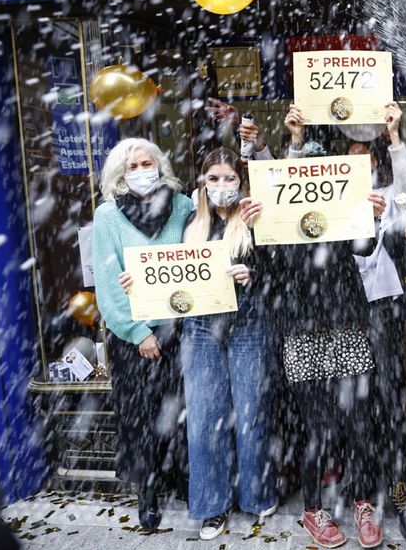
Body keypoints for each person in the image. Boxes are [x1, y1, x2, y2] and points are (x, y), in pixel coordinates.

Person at [240, 177, 387, 548]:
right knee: (319, 429)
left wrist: (371, 217)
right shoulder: (275, 222)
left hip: (346, 326)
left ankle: (363, 503)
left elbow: (364, 247)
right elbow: (265, 274)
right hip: (301, 334)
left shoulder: (339, 214)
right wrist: (256, 230)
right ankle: (312, 509)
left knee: (359, 426)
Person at [173, 148, 277, 538]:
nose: (220, 186)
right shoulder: (187, 220)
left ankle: (257, 494)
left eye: (229, 178)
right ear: (202, 181)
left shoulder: (254, 217)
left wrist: (254, 273)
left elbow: (279, 273)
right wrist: (138, 284)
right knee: (203, 420)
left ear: (241, 181)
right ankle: (212, 505)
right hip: (200, 328)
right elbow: (163, 272)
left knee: (252, 414)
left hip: (248, 324)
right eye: (213, 178)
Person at [92, 137, 194, 530]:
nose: (139, 172)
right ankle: (148, 492)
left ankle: (183, 479)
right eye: (130, 167)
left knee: (179, 411)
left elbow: (195, 260)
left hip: (178, 330)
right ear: (119, 175)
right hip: (133, 337)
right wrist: (137, 332)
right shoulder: (107, 216)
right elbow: (108, 282)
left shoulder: (182, 206)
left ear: (160, 165)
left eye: (145, 163)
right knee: (140, 416)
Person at [347, 103, 406, 541]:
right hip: (342, 316)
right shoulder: (329, 205)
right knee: (355, 411)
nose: (360, 164)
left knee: (391, 403)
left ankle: (400, 493)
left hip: (383, 312)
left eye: (366, 156)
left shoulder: (388, 198)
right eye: (351, 157)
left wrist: (395, 137)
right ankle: (361, 497)